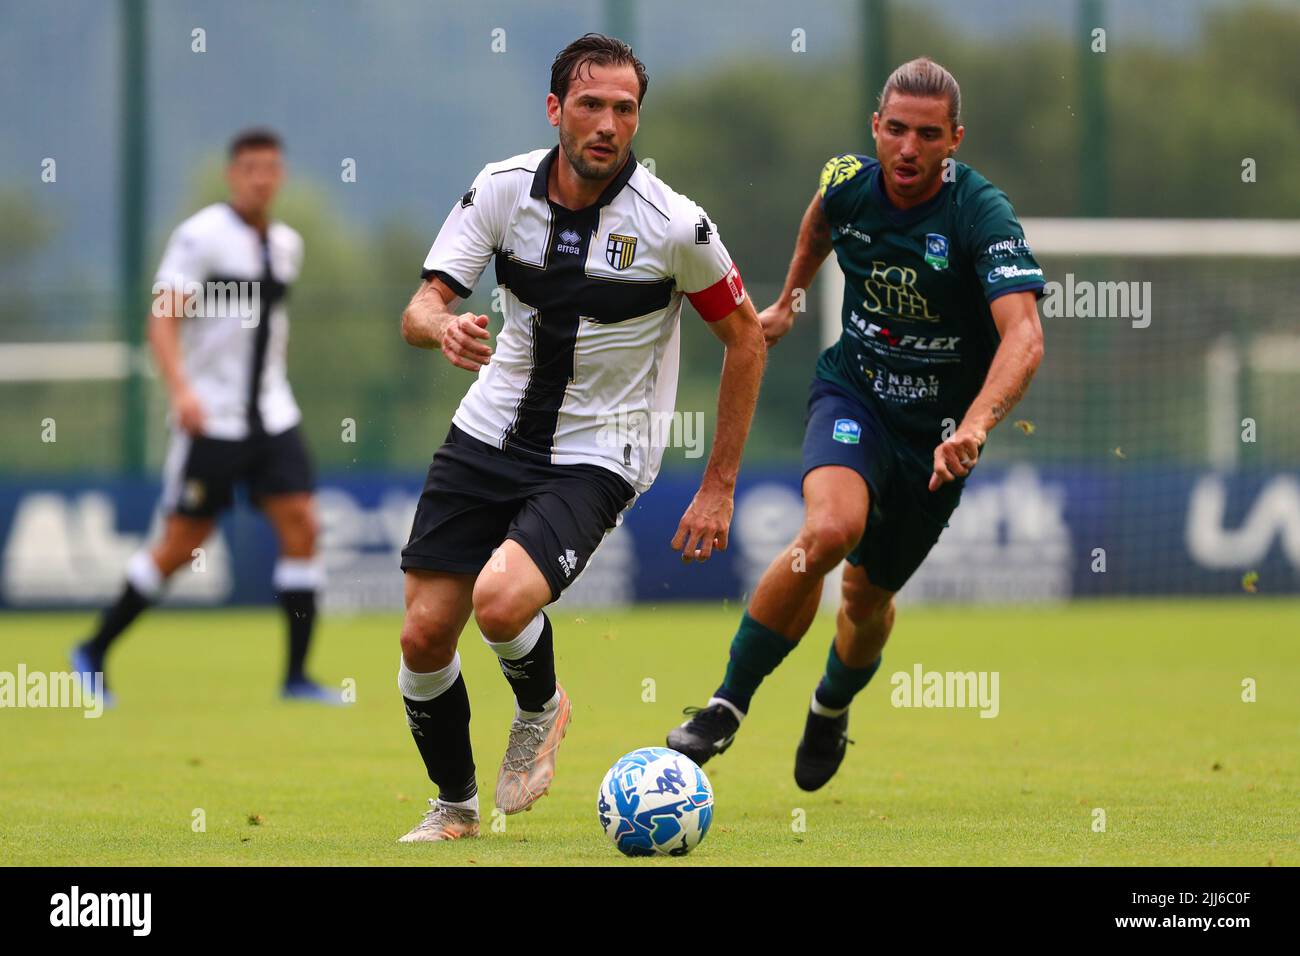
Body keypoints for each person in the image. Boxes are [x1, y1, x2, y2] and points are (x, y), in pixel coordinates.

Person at [394, 33, 766, 842]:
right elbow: (422, 304)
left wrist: (719, 484)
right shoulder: (501, 190)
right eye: (591, 104)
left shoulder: (675, 225)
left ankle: (541, 705)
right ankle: (454, 806)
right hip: (489, 429)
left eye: (624, 108)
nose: (607, 123)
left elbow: (745, 337)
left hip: (602, 449)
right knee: (424, 634)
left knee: (498, 601)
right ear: (556, 108)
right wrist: (442, 329)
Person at [668, 57, 1046, 791]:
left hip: (936, 436)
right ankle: (726, 705)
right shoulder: (847, 181)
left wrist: (972, 427)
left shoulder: (981, 214)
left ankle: (830, 705)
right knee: (830, 531)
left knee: (867, 599)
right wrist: (790, 297)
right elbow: (820, 220)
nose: (908, 149)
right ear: (876, 128)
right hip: (856, 395)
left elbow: (1024, 336)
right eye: (896, 130)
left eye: (927, 135)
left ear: (954, 141)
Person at [72, 129, 334, 706]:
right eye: (250, 168)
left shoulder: (286, 245)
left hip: (272, 414)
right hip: (211, 418)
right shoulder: (201, 237)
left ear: (280, 175)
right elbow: (161, 320)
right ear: (232, 174)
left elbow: (272, 329)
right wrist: (181, 391)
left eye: (271, 167)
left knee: (304, 527)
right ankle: (93, 649)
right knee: (181, 543)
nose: (261, 178)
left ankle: (296, 676)